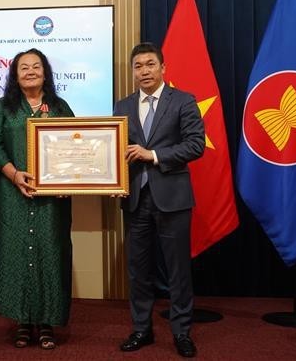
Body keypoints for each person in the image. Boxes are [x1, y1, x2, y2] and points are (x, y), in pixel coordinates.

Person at [112, 42, 205, 358]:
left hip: (173, 199)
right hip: (136, 198)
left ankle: (181, 332)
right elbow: (115, 151)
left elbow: (195, 146)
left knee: (178, 269)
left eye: (150, 64)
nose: (144, 71)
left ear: (163, 68)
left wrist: (152, 155)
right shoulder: (121, 106)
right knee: (138, 270)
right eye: (138, 66)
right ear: (133, 71)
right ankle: (142, 329)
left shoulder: (183, 101)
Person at [0, 48, 75, 350]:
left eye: (37, 66)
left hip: (51, 201)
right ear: (15, 74)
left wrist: (66, 180)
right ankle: (22, 322)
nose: (31, 71)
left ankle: (47, 322)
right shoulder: (3, 108)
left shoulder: (60, 108)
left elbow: (76, 147)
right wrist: (14, 175)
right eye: (24, 67)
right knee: (16, 255)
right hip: (12, 197)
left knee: (51, 254)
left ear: (46, 72)